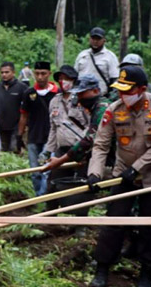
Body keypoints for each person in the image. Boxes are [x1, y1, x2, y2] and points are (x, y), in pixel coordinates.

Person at [87, 66, 151, 287]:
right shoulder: (114, 109)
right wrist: (94, 173)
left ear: (142, 89)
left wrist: (137, 167)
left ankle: (147, 271)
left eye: (127, 91)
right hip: (122, 174)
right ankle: (102, 268)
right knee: (114, 221)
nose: (123, 95)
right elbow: (100, 145)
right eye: (120, 90)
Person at [43, 74, 110, 215]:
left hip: (108, 155)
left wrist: (60, 161)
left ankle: (81, 222)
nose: (79, 98)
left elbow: (90, 139)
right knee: (54, 182)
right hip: (80, 151)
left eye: (82, 94)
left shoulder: (103, 108)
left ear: (95, 91)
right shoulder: (92, 107)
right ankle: (49, 216)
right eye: (77, 94)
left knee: (86, 186)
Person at [39, 65, 86, 197]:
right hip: (61, 149)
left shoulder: (82, 100)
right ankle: (50, 213)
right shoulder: (54, 101)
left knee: (80, 185)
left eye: (66, 78)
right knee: (53, 184)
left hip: (79, 149)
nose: (63, 81)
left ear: (73, 80)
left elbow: (89, 125)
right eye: (60, 78)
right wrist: (48, 151)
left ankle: (79, 214)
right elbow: (53, 128)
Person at [18, 61, 59, 195]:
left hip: (51, 139)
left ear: (49, 74)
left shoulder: (57, 93)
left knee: (47, 171)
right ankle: (38, 196)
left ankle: (43, 199)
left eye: (43, 73)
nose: (40, 77)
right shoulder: (29, 93)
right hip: (33, 137)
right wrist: (20, 136)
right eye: (37, 73)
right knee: (34, 172)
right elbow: (24, 116)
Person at [0, 61, 28, 154]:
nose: (4, 75)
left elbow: (27, 109)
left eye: (7, 72)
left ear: (13, 72)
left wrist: (24, 128)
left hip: (16, 127)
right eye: (2, 72)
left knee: (14, 152)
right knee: (2, 153)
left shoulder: (22, 87)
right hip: (1, 127)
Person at [74, 27, 120, 97]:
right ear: (89, 39)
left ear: (104, 40)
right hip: (81, 97)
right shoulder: (82, 55)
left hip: (101, 97)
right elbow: (74, 76)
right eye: (93, 38)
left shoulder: (110, 57)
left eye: (98, 39)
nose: (95, 41)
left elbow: (115, 80)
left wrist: (111, 97)